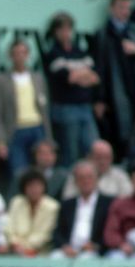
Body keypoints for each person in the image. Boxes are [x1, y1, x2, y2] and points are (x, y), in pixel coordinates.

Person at [94, 0, 135, 159]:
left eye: (127, 8)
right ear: (112, 8)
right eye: (121, 7)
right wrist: (100, 98)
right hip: (114, 92)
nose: (125, 12)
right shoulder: (103, 34)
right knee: (118, 132)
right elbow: (99, 68)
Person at [43, 12, 99, 168]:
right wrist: (82, 74)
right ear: (55, 32)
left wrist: (76, 74)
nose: (66, 33)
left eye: (68, 29)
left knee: (93, 148)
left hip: (85, 107)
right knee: (70, 154)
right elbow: (69, 78)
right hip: (65, 109)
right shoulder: (53, 53)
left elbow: (94, 78)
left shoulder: (80, 51)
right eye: (62, 29)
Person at [0, 39, 53, 178]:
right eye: (16, 53)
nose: (20, 56)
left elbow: (45, 110)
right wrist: (0, 141)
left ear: (28, 55)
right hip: (15, 131)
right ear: (10, 56)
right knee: (19, 173)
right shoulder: (1, 80)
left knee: (43, 172)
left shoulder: (38, 78)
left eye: (23, 53)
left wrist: (48, 137)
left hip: (38, 129)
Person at [51, 160, 114, 258]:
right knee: (55, 257)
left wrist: (95, 246)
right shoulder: (67, 204)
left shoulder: (108, 203)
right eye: (81, 178)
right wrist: (64, 246)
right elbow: (58, 231)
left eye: (89, 177)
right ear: (75, 181)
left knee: (86, 258)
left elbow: (110, 230)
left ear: (97, 179)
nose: (86, 181)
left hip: (93, 251)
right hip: (69, 249)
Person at [4, 168, 60, 256]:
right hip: (15, 251)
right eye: (30, 186)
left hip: (42, 253)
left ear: (44, 187)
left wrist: (25, 248)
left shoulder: (53, 206)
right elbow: (9, 227)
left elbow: (45, 235)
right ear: (24, 187)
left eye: (38, 186)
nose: (34, 189)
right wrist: (15, 244)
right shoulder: (16, 202)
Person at [61, 138, 133, 198]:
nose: (103, 162)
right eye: (99, 157)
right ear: (89, 157)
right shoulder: (78, 173)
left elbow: (128, 200)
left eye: (107, 157)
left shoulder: (120, 176)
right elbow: (68, 199)